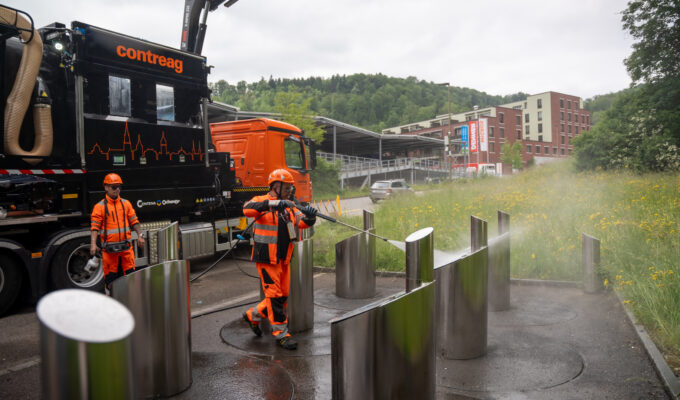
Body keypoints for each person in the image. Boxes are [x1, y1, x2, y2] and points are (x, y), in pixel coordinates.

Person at [241, 168, 318, 350]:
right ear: (275, 186)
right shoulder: (261, 201)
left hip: (284, 258)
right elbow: (246, 209)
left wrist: (311, 217)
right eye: (286, 188)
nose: (289, 191)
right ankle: (282, 335)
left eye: (290, 188)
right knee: (274, 297)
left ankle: (252, 316)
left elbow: (301, 223)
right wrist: (273, 204)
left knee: (282, 296)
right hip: (267, 258)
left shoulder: (290, 205)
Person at [90, 173, 145, 293]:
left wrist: (140, 235)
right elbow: (95, 227)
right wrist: (93, 244)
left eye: (119, 186)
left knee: (130, 277)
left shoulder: (126, 204)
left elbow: (134, 221)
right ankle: (111, 303)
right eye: (114, 187)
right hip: (109, 252)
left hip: (126, 249)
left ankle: (131, 301)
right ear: (106, 187)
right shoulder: (99, 207)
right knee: (110, 280)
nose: (117, 189)